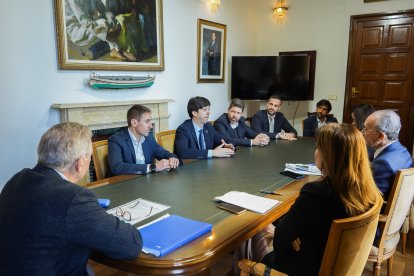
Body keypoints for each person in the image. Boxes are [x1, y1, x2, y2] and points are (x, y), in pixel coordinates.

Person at [0, 122, 142, 275]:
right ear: (80, 163)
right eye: (89, 156)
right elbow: (131, 244)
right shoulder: (73, 198)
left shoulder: (19, 178)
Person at [260, 123, 383, 275]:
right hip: (338, 265)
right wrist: (291, 233)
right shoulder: (367, 190)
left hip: (305, 268)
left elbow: (279, 243)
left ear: (329, 155)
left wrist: (287, 233)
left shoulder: (317, 193)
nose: (316, 152)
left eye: (319, 147)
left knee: (259, 234)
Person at [108, 104, 180, 175]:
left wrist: (172, 158)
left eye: (150, 121)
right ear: (134, 123)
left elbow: (164, 153)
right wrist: (152, 167)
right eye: (147, 121)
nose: (151, 126)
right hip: (124, 184)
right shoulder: (116, 140)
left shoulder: (149, 138)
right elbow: (117, 167)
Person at [363, 110, 412, 200]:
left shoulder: (383, 164)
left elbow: (369, 201)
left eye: (366, 129)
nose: (363, 133)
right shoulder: (404, 151)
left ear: (381, 137)